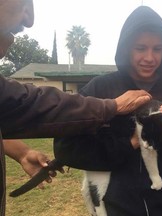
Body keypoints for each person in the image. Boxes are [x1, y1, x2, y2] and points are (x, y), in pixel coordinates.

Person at [0, 0, 151, 215]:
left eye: (158, 48)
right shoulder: (101, 86)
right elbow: (34, 104)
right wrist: (113, 107)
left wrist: (22, 153)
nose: (30, 19)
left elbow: (11, 108)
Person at [54, 6, 162, 216]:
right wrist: (129, 144)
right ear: (126, 48)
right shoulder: (100, 90)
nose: (150, 57)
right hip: (116, 207)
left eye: (157, 49)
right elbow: (67, 149)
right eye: (140, 48)